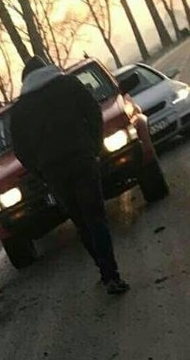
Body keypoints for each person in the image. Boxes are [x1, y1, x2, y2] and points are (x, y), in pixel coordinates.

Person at [10, 56, 130, 295]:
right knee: (96, 217)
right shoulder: (69, 85)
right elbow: (94, 112)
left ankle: (103, 271)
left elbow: (20, 150)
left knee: (81, 221)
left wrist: (41, 172)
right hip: (83, 159)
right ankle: (111, 274)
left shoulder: (20, 110)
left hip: (54, 172)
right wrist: (94, 147)